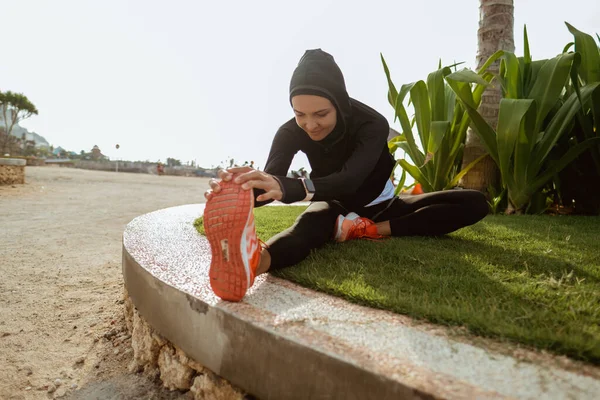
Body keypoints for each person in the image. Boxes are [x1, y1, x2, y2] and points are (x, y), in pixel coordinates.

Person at [203, 49, 488, 302]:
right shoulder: (290, 132)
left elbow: (351, 178)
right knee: (310, 224)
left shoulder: (371, 124)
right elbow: (271, 183)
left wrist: (291, 188)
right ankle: (253, 263)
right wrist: (238, 191)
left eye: (321, 114)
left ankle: (370, 229)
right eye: (299, 113)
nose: (309, 125)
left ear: (339, 102)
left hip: (384, 206)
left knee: (474, 203)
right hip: (334, 204)